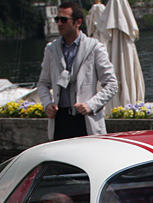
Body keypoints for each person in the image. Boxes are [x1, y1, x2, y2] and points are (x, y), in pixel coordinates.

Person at [37, 1, 118, 141]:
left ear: (78, 22)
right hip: (60, 119)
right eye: (57, 19)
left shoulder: (94, 48)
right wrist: (47, 104)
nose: (59, 24)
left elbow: (112, 84)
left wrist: (91, 105)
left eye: (64, 20)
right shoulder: (51, 49)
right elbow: (43, 83)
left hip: (85, 118)